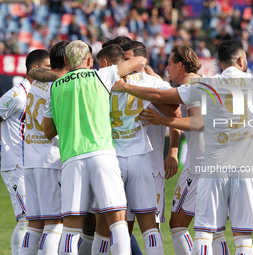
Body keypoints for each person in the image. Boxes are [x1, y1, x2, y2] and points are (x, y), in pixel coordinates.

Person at [111, 39, 253, 255]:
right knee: (243, 239)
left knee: (205, 233)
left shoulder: (206, 83)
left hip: (213, 170)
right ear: (242, 61)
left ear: (221, 62)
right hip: (247, 172)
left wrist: (125, 86)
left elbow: (160, 95)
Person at [43, 40, 146, 255]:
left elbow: (48, 131)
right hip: (102, 154)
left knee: (70, 228)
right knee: (118, 221)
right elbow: (140, 59)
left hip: (71, 158)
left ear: (65, 61)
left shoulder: (55, 87)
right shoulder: (101, 75)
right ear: (90, 60)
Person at [140, 45, 229, 255]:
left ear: (180, 65)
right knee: (215, 228)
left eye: (169, 64)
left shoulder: (191, 85)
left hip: (199, 164)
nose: (166, 68)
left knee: (178, 224)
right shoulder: (204, 82)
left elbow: (198, 122)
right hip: (221, 159)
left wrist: (161, 119)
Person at [95, 42, 179, 255]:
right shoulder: (147, 80)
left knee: (108, 226)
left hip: (110, 157)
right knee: (150, 225)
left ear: (105, 63)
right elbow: (175, 109)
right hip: (140, 156)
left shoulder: (97, 81)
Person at [19, 41, 69, 255]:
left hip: (31, 160)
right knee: (55, 222)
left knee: (35, 223)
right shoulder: (57, 84)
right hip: (50, 159)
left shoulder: (36, 83)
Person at [0, 49, 50, 255]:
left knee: (38, 217)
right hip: (16, 164)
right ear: (35, 69)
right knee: (26, 217)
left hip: (32, 162)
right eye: (47, 68)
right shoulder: (16, 95)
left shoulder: (39, 92)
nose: (51, 72)